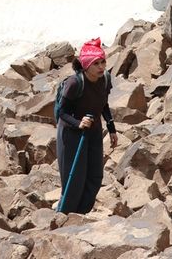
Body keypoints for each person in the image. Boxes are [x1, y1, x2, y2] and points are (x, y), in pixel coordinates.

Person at [55, 37, 118, 214]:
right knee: (74, 179)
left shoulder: (104, 79)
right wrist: (78, 123)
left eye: (102, 62)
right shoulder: (74, 83)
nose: (101, 67)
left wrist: (111, 129)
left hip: (94, 131)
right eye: (96, 63)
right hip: (71, 134)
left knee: (95, 176)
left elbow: (103, 103)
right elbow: (62, 112)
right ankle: (64, 215)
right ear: (85, 66)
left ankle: (81, 214)